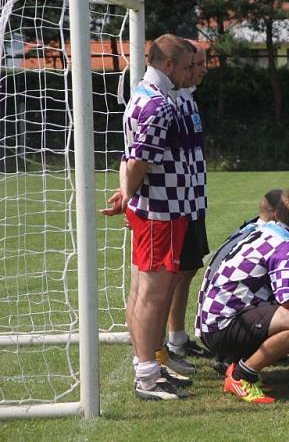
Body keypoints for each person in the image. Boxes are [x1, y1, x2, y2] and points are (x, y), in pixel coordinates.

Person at [102, 33, 195, 400]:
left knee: (145, 290)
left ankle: (148, 368)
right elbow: (139, 159)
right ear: (167, 64)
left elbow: (133, 157)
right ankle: (146, 376)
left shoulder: (148, 97)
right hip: (160, 210)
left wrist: (128, 194)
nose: (190, 73)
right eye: (186, 66)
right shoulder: (156, 103)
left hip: (161, 209)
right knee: (151, 294)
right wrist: (128, 196)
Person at [196, 188, 289, 404]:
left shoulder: (270, 230)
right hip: (222, 327)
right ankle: (242, 376)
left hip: (213, 322)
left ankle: (236, 365)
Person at [195, 188, 283, 375]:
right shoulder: (269, 237)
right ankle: (236, 359)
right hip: (224, 323)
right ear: (277, 215)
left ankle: (230, 354)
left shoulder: (247, 229)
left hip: (209, 320)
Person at [166, 40, 211, 363]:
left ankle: (178, 337)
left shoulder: (188, 99)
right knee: (171, 274)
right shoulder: (168, 100)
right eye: (196, 63)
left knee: (189, 269)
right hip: (173, 204)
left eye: (203, 63)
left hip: (192, 200)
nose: (202, 69)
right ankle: (167, 344)